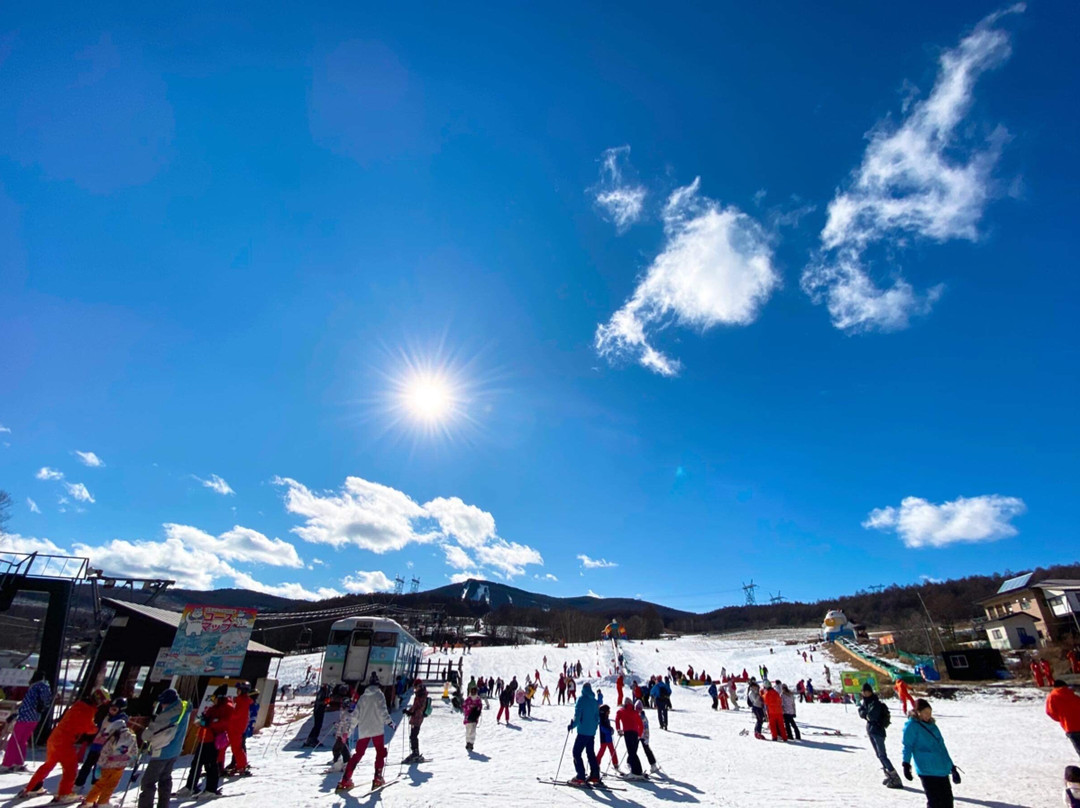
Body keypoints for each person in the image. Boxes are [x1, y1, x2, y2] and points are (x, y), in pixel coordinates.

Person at [18, 687, 110, 802]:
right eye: (103, 701)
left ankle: (32, 787)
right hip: (64, 742)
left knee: (48, 765)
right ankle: (65, 794)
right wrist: (97, 729)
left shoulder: (79, 705)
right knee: (70, 768)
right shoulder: (87, 709)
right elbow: (86, 727)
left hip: (54, 738)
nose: (102, 704)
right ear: (99, 700)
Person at [337, 678, 396, 792]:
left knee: (358, 754)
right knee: (380, 752)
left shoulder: (362, 697)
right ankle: (377, 778)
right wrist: (390, 723)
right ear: (377, 685)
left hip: (364, 730)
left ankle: (345, 779)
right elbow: (383, 711)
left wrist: (349, 731)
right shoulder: (379, 695)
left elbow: (355, 716)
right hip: (377, 729)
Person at [137, 688, 191, 808]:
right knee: (165, 779)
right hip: (175, 750)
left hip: (162, 751)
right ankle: (163, 805)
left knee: (148, 782)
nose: (162, 705)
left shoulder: (167, 714)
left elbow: (148, 734)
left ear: (168, 702)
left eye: (163, 702)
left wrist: (145, 732)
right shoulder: (184, 708)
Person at [902, 698, 959, 808]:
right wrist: (906, 764)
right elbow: (907, 746)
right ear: (918, 712)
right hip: (926, 770)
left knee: (947, 802)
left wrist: (952, 767)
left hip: (941, 769)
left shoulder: (933, 726)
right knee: (934, 802)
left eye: (930, 712)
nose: (928, 715)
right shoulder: (912, 726)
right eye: (925, 712)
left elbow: (942, 748)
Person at [179, 684, 233, 798]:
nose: (212, 700)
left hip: (214, 740)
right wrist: (202, 720)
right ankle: (191, 786)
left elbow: (225, 723)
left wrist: (210, 722)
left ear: (220, 697)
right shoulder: (214, 707)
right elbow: (207, 717)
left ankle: (211, 789)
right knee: (196, 762)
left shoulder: (227, 707)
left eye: (214, 698)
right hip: (204, 738)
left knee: (210, 764)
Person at [79, 718, 135, 807]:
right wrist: (132, 759)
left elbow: (105, 753)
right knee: (111, 785)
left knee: (100, 784)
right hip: (120, 766)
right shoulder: (131, 737)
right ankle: (103, 802)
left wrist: (99, 766)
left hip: (107, 765)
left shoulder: (112, 738)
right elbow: (134, 751)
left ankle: (89, 801)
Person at [2, 670, 51, 773]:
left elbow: (27, 704)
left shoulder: (34, 688)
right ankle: (18, 762)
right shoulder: (46, 687)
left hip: (24, 717)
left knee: (14, 740)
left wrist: (15, 715)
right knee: (23, 741)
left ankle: (8, 763)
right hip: (35, 718)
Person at [76, 697, 128, 789]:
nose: (111, 711)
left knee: (98, 768)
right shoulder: (107, 717)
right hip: (96, 745)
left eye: (114, 709)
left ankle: (95, 788)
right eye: (110, 708)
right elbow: (99, 728)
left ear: (120, 711)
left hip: (105, 749)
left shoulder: (121, 721)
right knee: (87, 765)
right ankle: (78, 784)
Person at [859, 682, 902, 789]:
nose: (865, 693)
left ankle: (895, 776)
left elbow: (871, 716)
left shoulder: (875, 702)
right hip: (871, 730)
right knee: (879, 755)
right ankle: (889, 775)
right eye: (864, 692)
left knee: (882, 755)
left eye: (867, 691)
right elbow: (861, 712)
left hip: (877, 731)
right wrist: (864, 714)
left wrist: (865, 714)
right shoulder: (866, 702)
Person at [567, 682, 600, 786]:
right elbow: (597, 717)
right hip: (591, 732)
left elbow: (577, 716)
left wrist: (572, 725)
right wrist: (594, 727)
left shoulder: (581, 699)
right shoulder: (594, 701)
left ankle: (580, 777)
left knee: (576, 752)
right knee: (590, 753)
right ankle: (595, 775)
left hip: (583, 732)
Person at [1046, 680, 1080, 759]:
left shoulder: (1052, 697)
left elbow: (1050, 712)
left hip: (1070, 726)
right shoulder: (1072, 694)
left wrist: (1062, 718)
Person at [225, 682, 252, 776]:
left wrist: (228, 712)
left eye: (239, 690)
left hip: (236, 727)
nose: (237, 691)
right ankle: (240, 764)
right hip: (235, 727)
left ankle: (242, 765)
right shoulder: (241, 700)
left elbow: (236, 714)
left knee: (237, 748)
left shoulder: (242, 701)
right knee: (236, 747)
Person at [615, 697, 645, 779]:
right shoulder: (635, 712)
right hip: (635, 733)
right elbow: (641, 724)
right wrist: (639, 735)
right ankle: (637, 771)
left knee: (631, 752)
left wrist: (618, 729)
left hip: (627, 732)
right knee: (633, 752)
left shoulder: (621, 711)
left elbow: (617, 720)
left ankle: (636, 772)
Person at [329, 689, 358, 772]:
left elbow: (348, 725)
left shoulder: (348, 714)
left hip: (343, 735)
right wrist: (337, 724)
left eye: (343, 705)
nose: (341, 706)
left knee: (339, 749)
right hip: (340, 734)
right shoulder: (344, 712)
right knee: (339, 749)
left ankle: (343, 763)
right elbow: (341, 722)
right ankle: (341, 762)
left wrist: (345, 734)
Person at [402, 679, 429, 764]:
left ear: (419, 686)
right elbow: (415, 706)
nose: (415, 689)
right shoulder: (418, 695)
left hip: (418, 718)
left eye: (416, 687)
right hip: (415, 717)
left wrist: (413, 713)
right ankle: (415, 752)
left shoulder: (422, 695)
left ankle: (415, 753)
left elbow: (420, 708)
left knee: (413, 735)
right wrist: (408, 711)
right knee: (413, 735)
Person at [596, 705, 620, 773]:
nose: (609, 712)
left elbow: (607, 727)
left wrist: (611, 729)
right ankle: (596, 763)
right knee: (602, 751)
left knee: (612, 750)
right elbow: (603, 729)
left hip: (608, 738)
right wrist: (610, 730)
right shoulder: (602, 719)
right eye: (608, 711)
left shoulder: (606, 718)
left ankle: (615, 763)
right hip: (604, 738)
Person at [462, 685, 482, 751]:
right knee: (468, 730)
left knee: (473, 731)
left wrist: (476, 709)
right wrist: (469, 708)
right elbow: (464, 706)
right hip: (468, 717)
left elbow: (480, 707)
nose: (473, 692)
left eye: (474, 691)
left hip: (474, 718)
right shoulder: (468, 699)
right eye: (472, 691)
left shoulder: (478, 699)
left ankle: (471, 743)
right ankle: (468, 742)